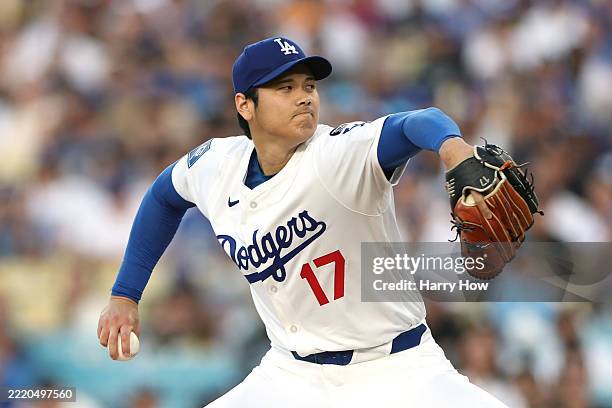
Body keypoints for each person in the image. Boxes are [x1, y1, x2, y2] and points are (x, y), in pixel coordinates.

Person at [97, 37, 505, 407]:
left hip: (397, 369)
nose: (304, 97)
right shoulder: (216, 166)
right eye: (285, 88)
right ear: (245, 105)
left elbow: (419, 122)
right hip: (292, 376)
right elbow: (162, 197)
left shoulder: (338, 154)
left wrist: (453, 149)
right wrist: (125, 294)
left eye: (309, 86)